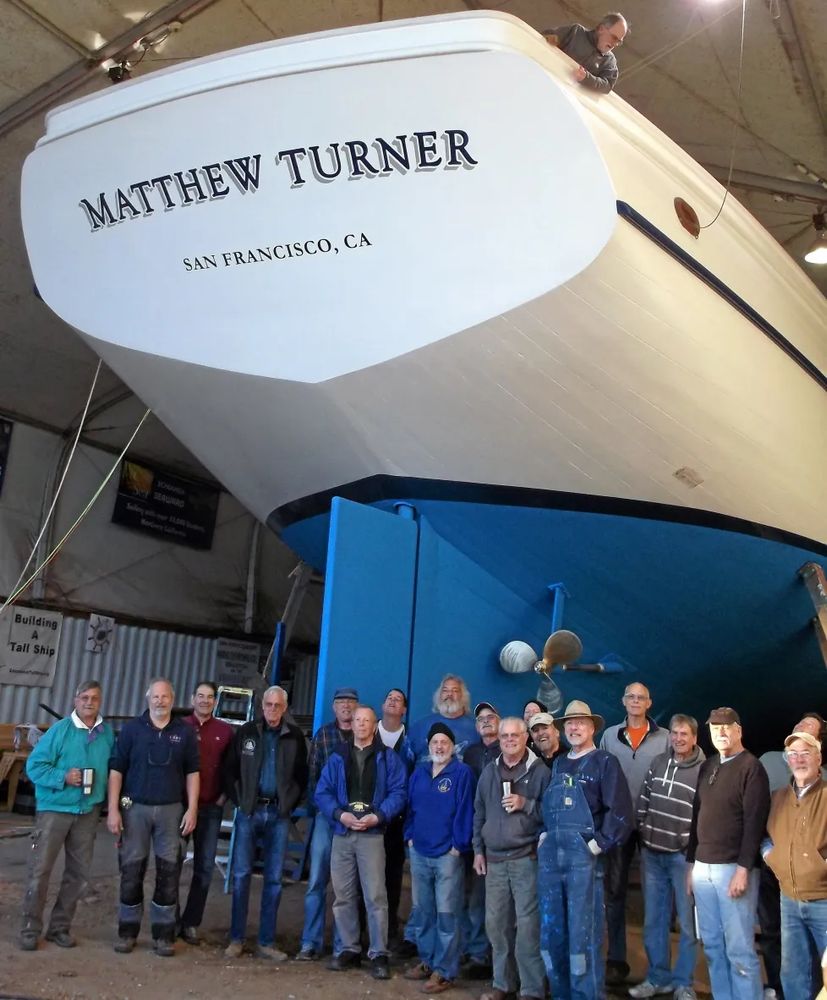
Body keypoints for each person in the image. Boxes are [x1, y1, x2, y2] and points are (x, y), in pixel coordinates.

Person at [538, 699, 633, 1000]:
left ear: (592, 728)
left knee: (583, 935)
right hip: (553, 861)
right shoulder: (559, 764)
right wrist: (545, 834)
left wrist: (597, 844)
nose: (574, 728)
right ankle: (561, 993)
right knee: (553, 933)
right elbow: (550, 807)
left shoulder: (605, 762)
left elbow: (621, 813)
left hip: (584, 863)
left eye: (580, 722)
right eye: (569, 723)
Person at [19, 680, 114, 951]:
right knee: (40, 871)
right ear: (75, 700)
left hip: (87, 812)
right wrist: (63, 777)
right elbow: (34, 766)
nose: (89, 702)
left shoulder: (106, 734)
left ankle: (59, 928)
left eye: (94, 698)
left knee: (78, 874)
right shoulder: (60, 731)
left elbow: (113, 769)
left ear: (100, 701)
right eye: (84, 697)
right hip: (55, 810)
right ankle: (30, 929)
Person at [107, 678, 200, 956]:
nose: (160, 701)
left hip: (172, 811)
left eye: (165, 696)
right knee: (131, 871)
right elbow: (116, 771)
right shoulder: (132, 730)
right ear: (148, 698)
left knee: (169, 872)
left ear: (173, 699)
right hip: (134, 807)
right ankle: (127, 932)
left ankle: (163, 935)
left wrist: (192, 808)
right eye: (156, 696)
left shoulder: (184, 733)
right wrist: (113, 809)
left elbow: (193, 773)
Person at [315, 704, 407, 980]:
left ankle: (378, 953)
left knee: (375, 896)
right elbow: (322, 792)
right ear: (352, 724)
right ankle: (349, 949)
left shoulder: (388, 757)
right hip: (343, 833)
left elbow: (399, 792)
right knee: (343, 895)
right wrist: (339, 814)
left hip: (372, 834)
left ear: (374, 725)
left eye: (367, 721)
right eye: (358, 720)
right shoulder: (338, 756)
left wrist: (378, 816)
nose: (362, 724)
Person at [686, 707, 770, 1000]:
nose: (720, 732)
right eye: (715, 728)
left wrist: (744, 869)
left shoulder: (751, 768)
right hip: (703, 869)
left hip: (732, 869)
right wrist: (690, 865)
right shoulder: (708, 766)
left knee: (739, 949)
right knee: (711, 945)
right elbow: (696, 817)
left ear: (739, 730)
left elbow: (755, 823)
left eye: (726, 727)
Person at [223, 685, 308, 960]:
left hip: (278, 815)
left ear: (285, 708)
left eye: (277, 705)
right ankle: (236, 939)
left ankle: (266, 942)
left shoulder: (294, 736)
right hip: (249, 811)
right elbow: (230, 770)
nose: (272, 709)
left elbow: (302, 775)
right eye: (268, 705)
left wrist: (289, 805)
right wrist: (240, 801)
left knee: (273, 879)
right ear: (262, 707)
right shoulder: (247, 732)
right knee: (241, 875)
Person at [473, 717, 550, 1000]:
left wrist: (525, 803)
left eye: (514, 735)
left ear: (526, 737)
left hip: (525, 858)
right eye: (504, 736)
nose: (508, 740)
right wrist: (478, 850)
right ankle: (503, 984)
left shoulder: (540, 772)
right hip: (494, 859)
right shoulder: (489, 771)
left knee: (528, 926)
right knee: (496, 925)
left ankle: (531, 988)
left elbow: (551, 812)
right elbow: (479, 812)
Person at [600, 682, 670, 984]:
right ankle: (616, 959)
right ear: (623, 701)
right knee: (614, 892)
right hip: (619, 823)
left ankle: (658, 967)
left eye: (641, 697)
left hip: (653, 823)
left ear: (649, 703)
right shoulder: (609, 736)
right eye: (631, 696)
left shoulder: (665, 738)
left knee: (657, 894)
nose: (636, 701)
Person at [632, 714, 705, 1000]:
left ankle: (684, 983)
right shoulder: (658, 762)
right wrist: (643, 829)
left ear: (694, 738)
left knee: (687, 924)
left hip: (682, 859)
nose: (678, 738)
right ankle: (657, 978)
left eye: (684, 734)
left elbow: (704, 816)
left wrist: (691, 851)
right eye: (674, 733)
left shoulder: (703, 771)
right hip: (652, 855)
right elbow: (644, 799)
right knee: (654, 920)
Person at [757, 711, 826, 998]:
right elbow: (765, 837)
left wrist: (820, 866)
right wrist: (771, 857)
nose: (798, 759)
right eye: (793, 754)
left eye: (805, 753)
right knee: (793, 973)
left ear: (819, 758)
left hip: (823, 900)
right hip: (789, 899)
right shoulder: (779, 798)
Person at [403, 722, 474, 993]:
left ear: (452, 747)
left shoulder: (462, 773)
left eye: (444, 742)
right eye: (435, 742)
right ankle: (428, 960)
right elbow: (410, 808)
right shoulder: (420, 773)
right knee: (423, 911)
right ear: (429, 746)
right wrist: (410, 835)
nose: (439, 747)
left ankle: (445, 971)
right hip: (419, 851)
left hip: (447, 855)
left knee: (447, 915)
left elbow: (466, 811)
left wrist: (458, 845)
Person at [295, 686, 358, 960]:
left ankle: (343, 946)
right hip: (326, 817)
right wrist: (325, 810)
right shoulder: (323, 735)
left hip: (355, 822)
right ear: (334, 707)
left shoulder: (365, 735)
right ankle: (310, 943)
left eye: (351, 702)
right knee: (316, 881)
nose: (346, 706)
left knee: (347, 886)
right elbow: (312, 777)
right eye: (341, 701)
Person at [178, 680, 233, 946]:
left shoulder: (225, 731)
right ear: (192, 699)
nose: (204, 701)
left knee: (205, 867)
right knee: (172, 864)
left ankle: (190, 923)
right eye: (200, 696)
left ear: (215, 701)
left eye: (210, 697)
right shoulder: (179, 728)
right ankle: (169, 919)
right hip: (180, 808)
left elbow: (232, 768)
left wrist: (223, 797)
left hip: (211, 808)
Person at [460, 702, 501, 978]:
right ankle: (471, 949)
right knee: (469, 895)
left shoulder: (507, 750)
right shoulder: (470, 753)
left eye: (490, 717)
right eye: (481, 719)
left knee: (486, 899)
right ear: (476, 727)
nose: (485, 721)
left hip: (495, 834)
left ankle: (484, 954)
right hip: (470, 831)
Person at [377, 687, 415, 946]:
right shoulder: (369, 732)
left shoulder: (411, 741)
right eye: (389, 697)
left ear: (404, 710)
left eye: (398, 699)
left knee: (392, 875)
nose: (392, 701)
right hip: (367, 819)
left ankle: (389, 929)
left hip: (398, 820)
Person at [542, 13, 629, 94]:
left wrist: (586, 78)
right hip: (546, 81)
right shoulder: (575, 32)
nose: (615, 44)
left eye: (618, 41)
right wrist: (552, 41)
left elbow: (608, 85)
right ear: (601, 29)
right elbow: (545, 37)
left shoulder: (609, 61)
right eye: (614, 38)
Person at [408, 675, 479, 761]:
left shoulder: (476, 728)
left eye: (455, 691)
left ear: (463, 696)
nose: (449, 694)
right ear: (439, 695)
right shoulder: (419, 726)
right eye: (445, 690)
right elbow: (404, 763)